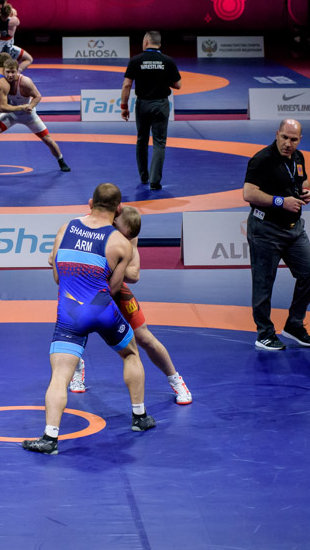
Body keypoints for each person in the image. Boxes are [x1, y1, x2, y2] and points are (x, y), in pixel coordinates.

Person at [22, 183, 155, 455]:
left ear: (90, 202)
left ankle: (50, 438)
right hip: (102, 310)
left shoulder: (66, 228)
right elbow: (114, 288)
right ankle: (140, 417)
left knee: (60, 375)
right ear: (119, 208)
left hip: (70, 314)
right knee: (131, 354)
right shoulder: (121, 243)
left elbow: (57, 276)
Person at [68, 205, 192, 405]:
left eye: (127, 238)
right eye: (122, 235)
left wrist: (107, 262)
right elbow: (57, 260)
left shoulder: (128, 232)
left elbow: (134, 274)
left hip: (114, 287)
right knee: (73, 332)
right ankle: (77, 368)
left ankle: (175, 379)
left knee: (144, 337)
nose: (124, 240)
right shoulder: (85, 226)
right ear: (114, 220)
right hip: (86, 289)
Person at [242, 119, 310, 351]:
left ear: (300, 140)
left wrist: (305, 192)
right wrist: (280, 201)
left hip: (294, 229)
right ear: (277, 134)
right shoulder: (261, 160)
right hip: (266, 229)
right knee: (264, 283)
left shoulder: (298, 158)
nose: (288, 143)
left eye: (293, 139)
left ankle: (294, 324)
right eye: (284, 137)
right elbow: (248, 193)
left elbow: (302, 180)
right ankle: (264, 333)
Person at [0, 53, 70, 174]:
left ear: (17, 71)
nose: (10, 75)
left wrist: (30, 106)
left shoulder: (25, 82)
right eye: (8, 72)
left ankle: (61, 160)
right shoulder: (1, 81)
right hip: (12, 114)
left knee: (48, 140)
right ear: (4, 71)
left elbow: (38, 96)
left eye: (13, 72)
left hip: (28, 116)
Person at [120, 31, 182, 191]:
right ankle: (155, 182)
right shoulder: (168, 61)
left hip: (143, 105)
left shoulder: (136, 60)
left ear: (146, 42)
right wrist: (162, 79)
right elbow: (178, 85)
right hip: (160, 104)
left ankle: (144, 176)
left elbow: (127, 85)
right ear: (159, 44)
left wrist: (124, 106)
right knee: (159, 143)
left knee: (142, 140)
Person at [0, 4, 33, 72]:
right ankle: (16, 73)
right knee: (29, 59)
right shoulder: (12, 21)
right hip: (7, 47)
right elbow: (17, 20)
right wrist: (12, 13)